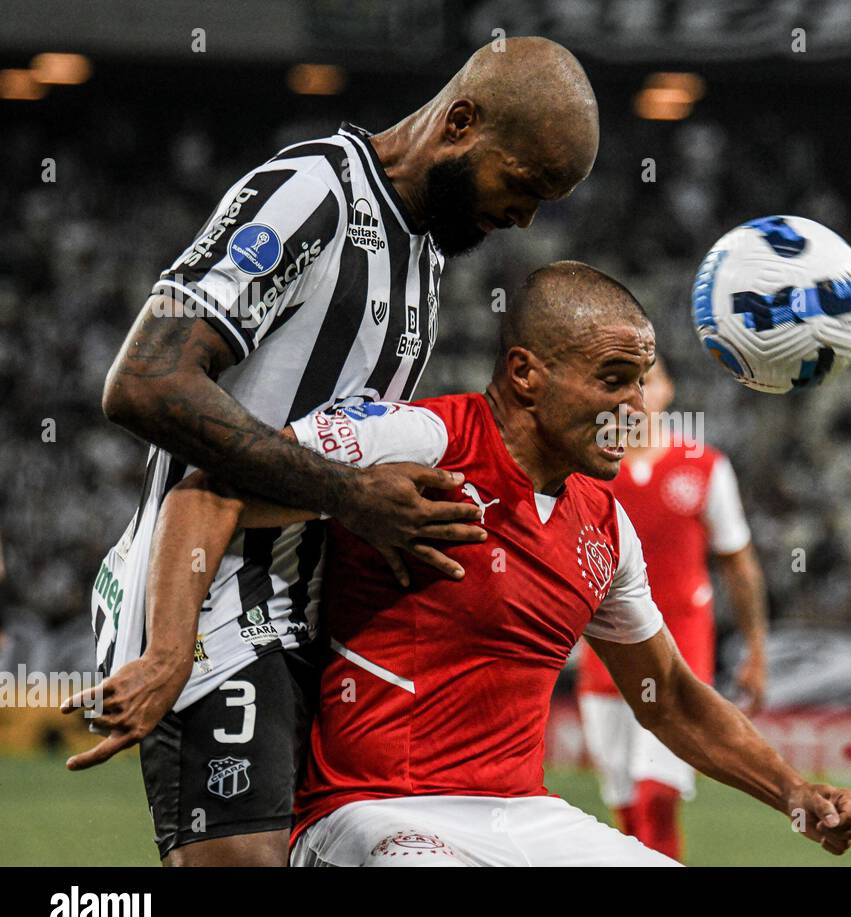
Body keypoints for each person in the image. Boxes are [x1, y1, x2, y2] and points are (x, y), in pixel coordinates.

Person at [65, 38, 601, 867]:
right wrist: (352, 496)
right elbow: (144, 380)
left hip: (307, 616)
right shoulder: (310, 192)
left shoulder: (420, 253)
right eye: (523, 184)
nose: (525, 218)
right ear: (460, 123)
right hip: (210, 600)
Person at [141, 262, 851, 866]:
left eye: (642, 383)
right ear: (526, 374)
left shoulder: (605, 526)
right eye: (614, 380)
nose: (636, 408)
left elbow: (667, 694)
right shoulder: (421, 440)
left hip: (522, 816)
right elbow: (213, 490)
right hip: (374, 814)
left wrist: (793, 792)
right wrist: (168, 651)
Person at [576, 358, 767, 860]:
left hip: (681, 656)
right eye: (621, 383)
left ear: (668, 390)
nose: (636, 394)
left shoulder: (705, 466)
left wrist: (756, 650)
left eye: (648, 380)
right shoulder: (588, 471)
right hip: (607, 657)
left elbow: (739, 565)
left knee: (657, 795)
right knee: (627, 808)